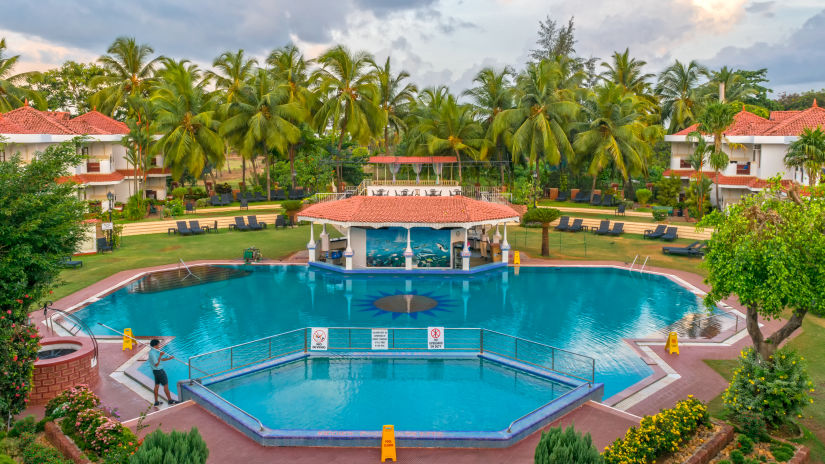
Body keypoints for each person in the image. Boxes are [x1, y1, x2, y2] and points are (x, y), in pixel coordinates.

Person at [148, 339, 179, 407]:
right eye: (158, 345)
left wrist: (169, 358)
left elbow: (161, 360)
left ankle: (156, 402)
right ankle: (170, 401)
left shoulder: (154, 351)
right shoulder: (152, 353)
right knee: (165, 385)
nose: (159, 346)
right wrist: (160, 356)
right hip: (159, 371)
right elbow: (156, 364)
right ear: (155, 345)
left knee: (157, 385)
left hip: (156, 371)